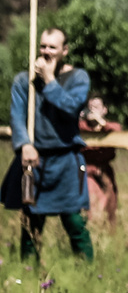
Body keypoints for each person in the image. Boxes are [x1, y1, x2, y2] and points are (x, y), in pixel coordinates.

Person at [11, 27, 94, 261]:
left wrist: (48, 80)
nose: (46, 51)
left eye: (52, 47)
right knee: (31, 224)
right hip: (35, 160)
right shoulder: (24, 81)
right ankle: (27, 275)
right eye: (43, 46)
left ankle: (87, 273)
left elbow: (70, 108)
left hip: (66, 159)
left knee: (75, 222)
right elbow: (17, 116)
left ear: (64, 51)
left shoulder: (78, 78)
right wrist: (24, 144)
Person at [78, 95, 122, 226]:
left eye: (96, 107)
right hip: (87, 171)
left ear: (104, 110)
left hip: (105, 171)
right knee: (93, 205)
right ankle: (94, 233)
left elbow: (118, 131)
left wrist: (101, 122)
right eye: (90, 108)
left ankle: (108, 237)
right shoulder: (82, 126)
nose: (93, 111)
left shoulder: (110, 127)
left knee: (111, 205)